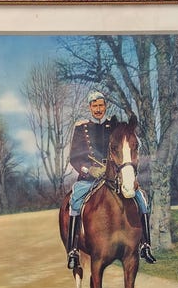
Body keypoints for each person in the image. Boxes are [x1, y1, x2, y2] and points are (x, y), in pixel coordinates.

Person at [66, 90, 156, 269]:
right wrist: (89, 169)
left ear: (105, 106)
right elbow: (74, 157)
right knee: (75, 201)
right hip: (90, 177)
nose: (98, 109)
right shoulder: (81, 127)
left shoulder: (113, 126)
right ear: (90, 107)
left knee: (142, 200)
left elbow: (125, 150)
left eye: (101, 105)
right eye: (95, 106)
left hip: (114, 176)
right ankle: (73, 250)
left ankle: (145, 245)